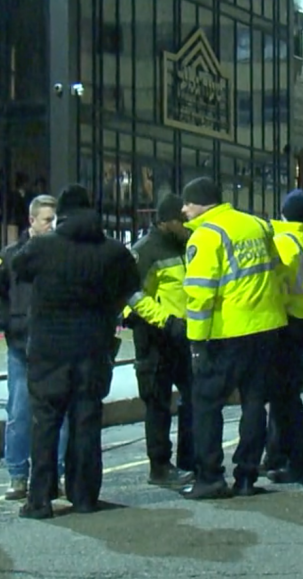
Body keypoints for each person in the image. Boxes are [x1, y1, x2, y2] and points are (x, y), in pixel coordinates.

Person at [11, 184, 138, 518]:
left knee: (46, 422)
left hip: (48, 349)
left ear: (62, 214)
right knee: (86, 420)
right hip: (93, 348)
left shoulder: (42, 247)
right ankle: (84, 496)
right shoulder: (114, 251)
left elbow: (17, 269)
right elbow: (130, 288)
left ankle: (39, 500)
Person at [178, 177, 289, 500]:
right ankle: (246, 477)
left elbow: (199, 295)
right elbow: (277, 269)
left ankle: (210, 477)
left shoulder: (206, 236)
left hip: (227, 333)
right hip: (267, 328)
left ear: (203, 204)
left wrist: (196, 342)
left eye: (187, 202)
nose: (183, 209)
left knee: (206, 405)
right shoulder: (258, 225)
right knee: (254, 403)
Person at [0, 194, 69, 501]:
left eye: (55, 220)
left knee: (60, 414)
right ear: (31, 221)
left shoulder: (62, 254)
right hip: (21, 346)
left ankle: (54, 474)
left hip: (55, 346)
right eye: (47, 220)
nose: (52, 226)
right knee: (19, 411)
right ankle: (18, 475)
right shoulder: (9, 256)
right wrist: (11, 323)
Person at [122, 193, 195, 487]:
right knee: (158, 404)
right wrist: (165, 320)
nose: (188, 225)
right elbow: (133, 294)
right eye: (183, 220)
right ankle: (160, 466)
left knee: (193, 398)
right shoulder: (146, 251)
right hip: (155, 337)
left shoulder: (184, 245)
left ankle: (190, 461)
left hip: (183, 335)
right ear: (167, 222)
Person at [264, 190, 303, 485]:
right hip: (298, 322)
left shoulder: (284, 242)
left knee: (286, 398)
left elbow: (274, 283)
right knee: (282, 395)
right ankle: (275, 456)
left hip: (283, 322)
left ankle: (300, 465)